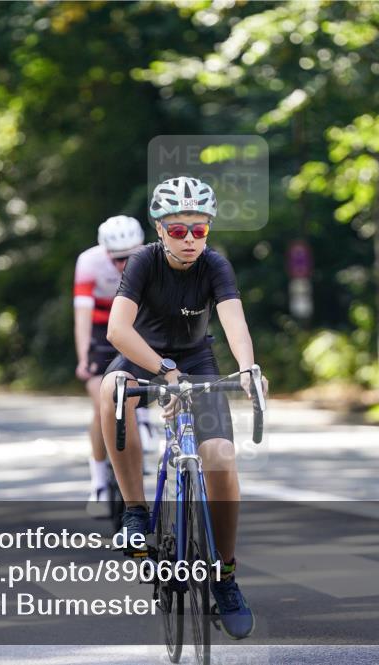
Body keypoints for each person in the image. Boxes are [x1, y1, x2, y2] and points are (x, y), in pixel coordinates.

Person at [99, 176, 267, 640]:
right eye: (178, 230)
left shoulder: (215, 265)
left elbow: (234, 321)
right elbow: (117, 330)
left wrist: (249, 369)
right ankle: (134, 509)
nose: (190, 239)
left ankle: (225, 575)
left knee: (220, 458)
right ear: (159, 229)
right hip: (143, 353)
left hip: (196, 360)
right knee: (111, 389)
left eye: (199, 230)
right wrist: (164, 372)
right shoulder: (142, 263)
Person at [74, 215, 145, 516]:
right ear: (105, 252)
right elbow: (82, 316)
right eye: (116, 259)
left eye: (129, 257)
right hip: (100, 335)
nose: (123, 265)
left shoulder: (152, 258)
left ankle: (144, 422)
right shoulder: (89, 263)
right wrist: (83, 358)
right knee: (99, 403)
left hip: (137, 329)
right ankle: (100, 482)